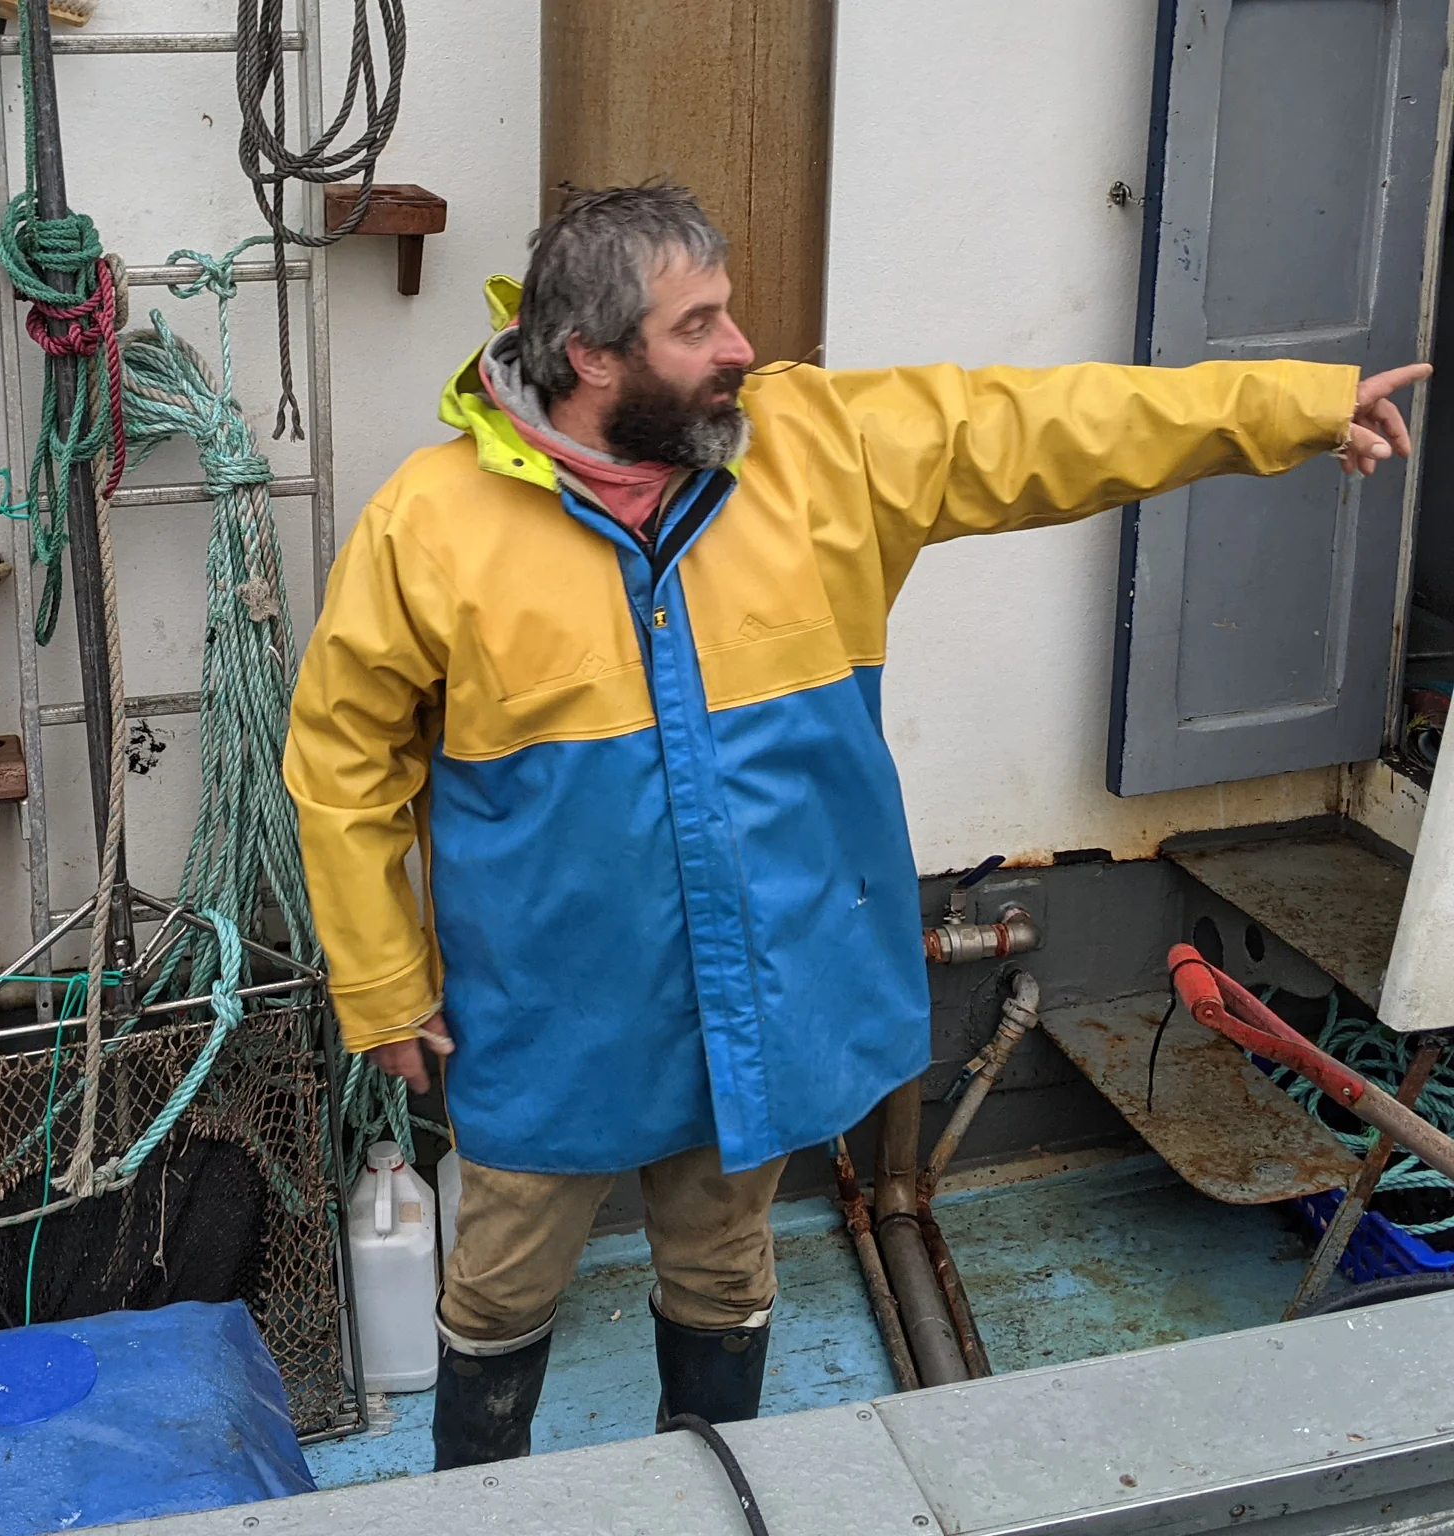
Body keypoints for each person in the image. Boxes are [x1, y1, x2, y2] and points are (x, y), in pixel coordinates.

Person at [283, 183, 1427, 1470]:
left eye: (728, 312)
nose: (740, 348)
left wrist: (1288, 407)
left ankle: (713, 1489)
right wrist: (381, 985)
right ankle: (474, 1500)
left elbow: (1043, 425)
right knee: (501, 1289)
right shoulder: (430, 524)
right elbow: (342, 764)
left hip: (760, 999)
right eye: (697, 326)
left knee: (723, 1270)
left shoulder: (816, 448)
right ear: (590, 357)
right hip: (553, 1011)